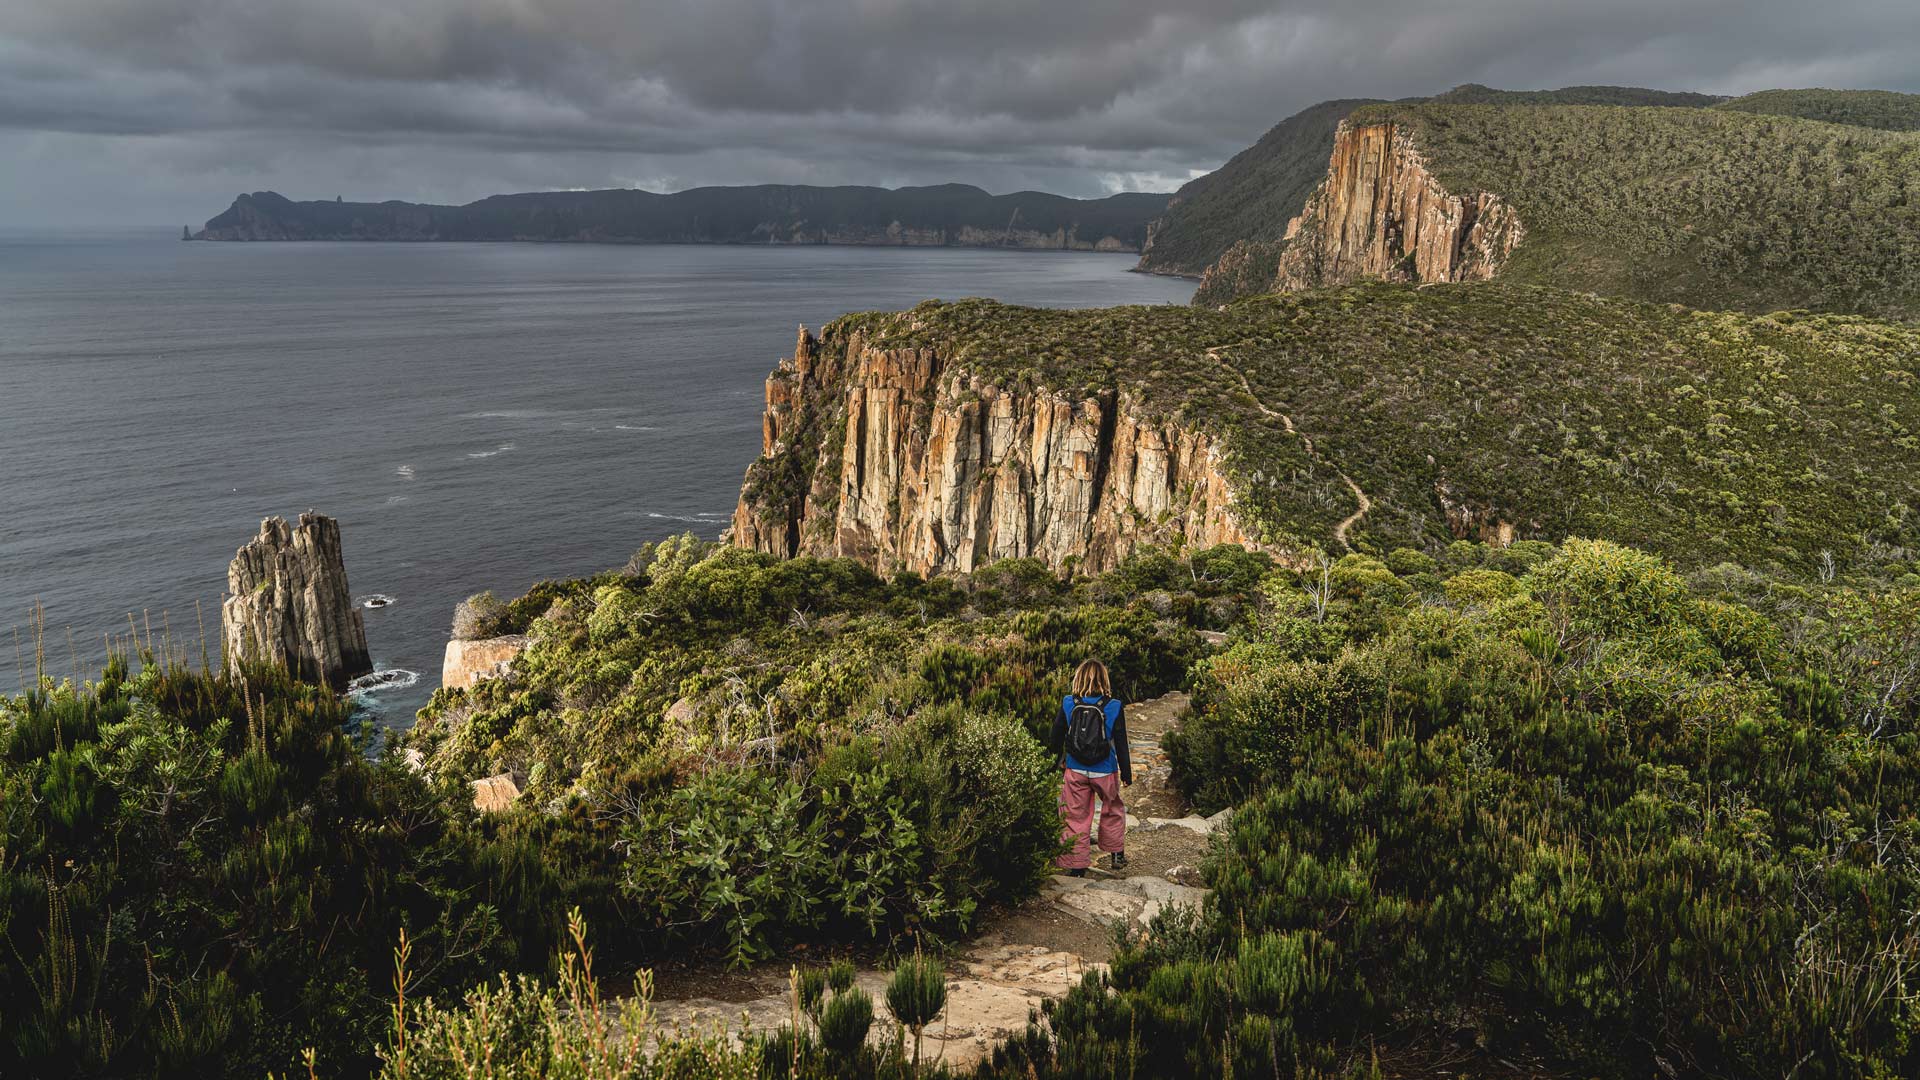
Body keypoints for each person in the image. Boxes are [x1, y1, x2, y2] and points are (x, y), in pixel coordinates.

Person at [1051, 658, 1131, 876]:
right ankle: (1116, 854)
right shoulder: (1114, 706)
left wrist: (1051, 765)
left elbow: (1056, 737)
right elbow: (1121, 743)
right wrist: (1126, 773)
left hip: (1075, 769)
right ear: (1104, 679)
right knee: (1112, 809)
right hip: (1105, 769)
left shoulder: (1069, 703)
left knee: (1074, 815)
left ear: (1078, 678)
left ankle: (1076, 866)